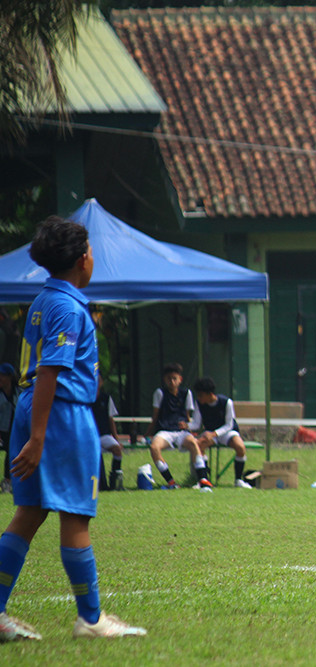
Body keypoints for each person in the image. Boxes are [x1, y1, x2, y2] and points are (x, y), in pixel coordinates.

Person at [0, 216, 145, 641]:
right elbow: (51, 372)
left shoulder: (45, 299)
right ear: (84, 258)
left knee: (29, 512)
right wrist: (40, 437)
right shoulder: (67, 307)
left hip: (37, 408)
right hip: (60, 414)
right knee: (76, 514)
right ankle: (91, 619)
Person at [145, 363, 203, 490]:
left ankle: (202, 480)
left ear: (180, 380)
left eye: (174, 378)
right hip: (165, 431)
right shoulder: (160, 393)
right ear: (164, 380)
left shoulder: (186, 393)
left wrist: (190, 429)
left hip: (181, 432)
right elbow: (155, 417)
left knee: (194, 444)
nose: (171, 381)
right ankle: (171, 482)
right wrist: (148, 434)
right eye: (168, 378)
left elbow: (187, 416)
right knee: (154, 447)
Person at [190, 376, 253, 489]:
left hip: (226, 432)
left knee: (240, 447)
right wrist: (186, 425)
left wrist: (214, 434)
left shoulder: (226, 402)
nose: (199, 398)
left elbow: (229, 424)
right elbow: (196, 423)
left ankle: (238, 480)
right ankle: (203, 480)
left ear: (209, 393)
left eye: (201, 395)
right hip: (209, 432)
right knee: (199, 446)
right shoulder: (199, 404)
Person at [93, 372, 124, 491]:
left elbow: (111, 419)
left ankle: (114, 479)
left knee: (116, 449)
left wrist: (116, 438)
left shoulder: (106, 398)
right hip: (90, 436)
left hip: (103, 434)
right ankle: (98, 483)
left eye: (99, 380)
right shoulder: (84, 397)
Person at [0, 363, 18, 494]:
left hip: (13, 428)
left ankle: (8, 482)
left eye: (2, 375)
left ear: (10, 377)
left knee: (11, 454)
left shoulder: (19, 392)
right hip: (1, 428)